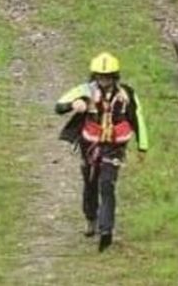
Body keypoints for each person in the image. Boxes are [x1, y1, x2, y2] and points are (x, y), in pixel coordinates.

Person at [55, 52, 149, 251]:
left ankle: (106, 230)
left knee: (107, 184)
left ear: (115, 76)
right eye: (100, 76)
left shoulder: (127, 94)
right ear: (94, 76)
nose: (104, 81)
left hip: (115, 146)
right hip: (90, 145)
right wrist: (73, 105)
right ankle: (91, 218)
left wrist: (143, 146)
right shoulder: (85, 91)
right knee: (90, 182)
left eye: (107, 77)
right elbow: (59, 106)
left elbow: (137, 118)